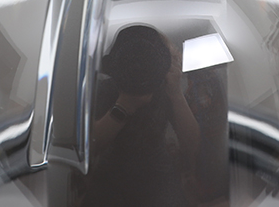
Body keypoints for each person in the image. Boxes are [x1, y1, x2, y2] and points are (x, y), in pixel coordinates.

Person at [82, 24, 201, 207]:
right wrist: (124, 104)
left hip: (158, 179)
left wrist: (176, 94)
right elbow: (90, 146)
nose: (140, 69)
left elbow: (193, 145)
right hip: (111, 180)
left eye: (148, 60)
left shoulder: (166, 90)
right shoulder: (106, 89)